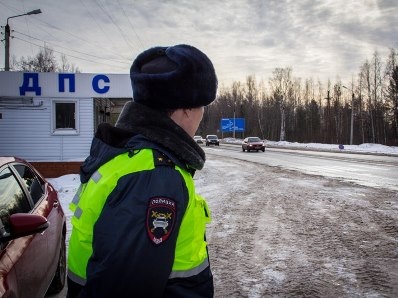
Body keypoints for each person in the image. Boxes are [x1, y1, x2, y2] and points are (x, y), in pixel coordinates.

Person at [66, 44, 218, 298]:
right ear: (187, 109)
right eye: (202, 106)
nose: (202, 114)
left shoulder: (130, 157)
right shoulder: (154, 177)